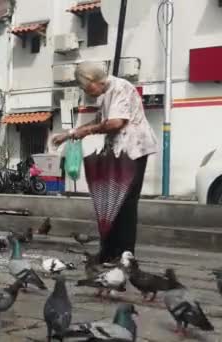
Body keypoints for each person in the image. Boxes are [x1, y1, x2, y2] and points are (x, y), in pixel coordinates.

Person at [52, 62, 158, 264]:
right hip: (119, 150)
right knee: (111, 201)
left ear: (93, 80)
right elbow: (99, 121)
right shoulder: (106, 94)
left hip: (133, 150)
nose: (86, 92)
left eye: (85, 87)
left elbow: (116, 123)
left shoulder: (120, 88)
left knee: (125, 203)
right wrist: (71, 133)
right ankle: (108, 252)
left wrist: (86, 131)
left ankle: (124, 254)